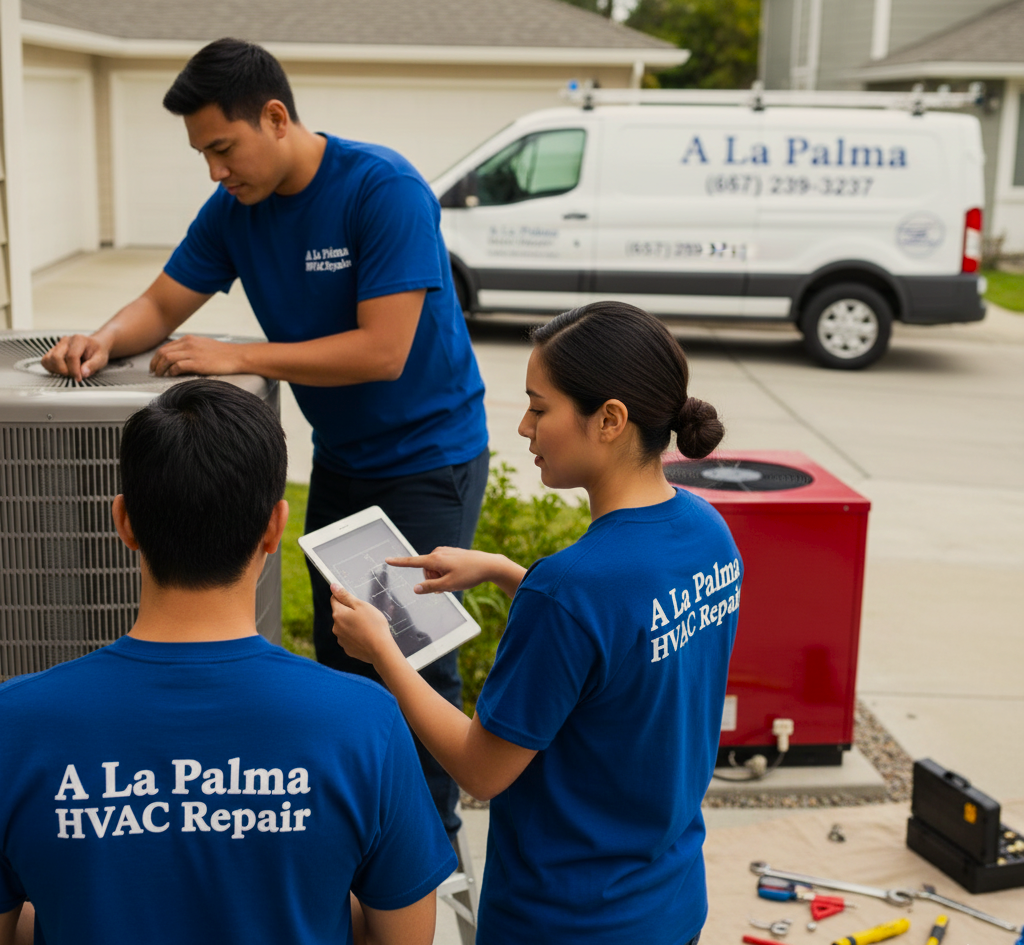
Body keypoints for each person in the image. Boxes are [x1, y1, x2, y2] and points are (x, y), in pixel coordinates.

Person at [39, 37, 489, 840]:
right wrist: (102, 339)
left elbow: (384, 349)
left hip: (429, 459)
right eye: (202, 154)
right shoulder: (237, 212)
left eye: (222, 146)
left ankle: (430, 848)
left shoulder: (380, 190)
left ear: (274, 118)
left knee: (408, 656)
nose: (215, 170)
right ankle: (360, 829)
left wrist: (238, 353)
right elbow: (163, 301)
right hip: (346, 460)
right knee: (341, 650)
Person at [331, 301, 743, 945]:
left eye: (539, 406)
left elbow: (481, 770)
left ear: (609, 420)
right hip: (670, 905)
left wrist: (384, 650)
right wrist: (504, 570)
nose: (523, 426)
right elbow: (620, 642)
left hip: (565, 923)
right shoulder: (707, 532)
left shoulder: (570, 591)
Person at [0, 379, 456, 945]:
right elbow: (406, 937)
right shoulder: (365, 721)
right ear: (274, 527)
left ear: (124, 522)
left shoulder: (14, 725)